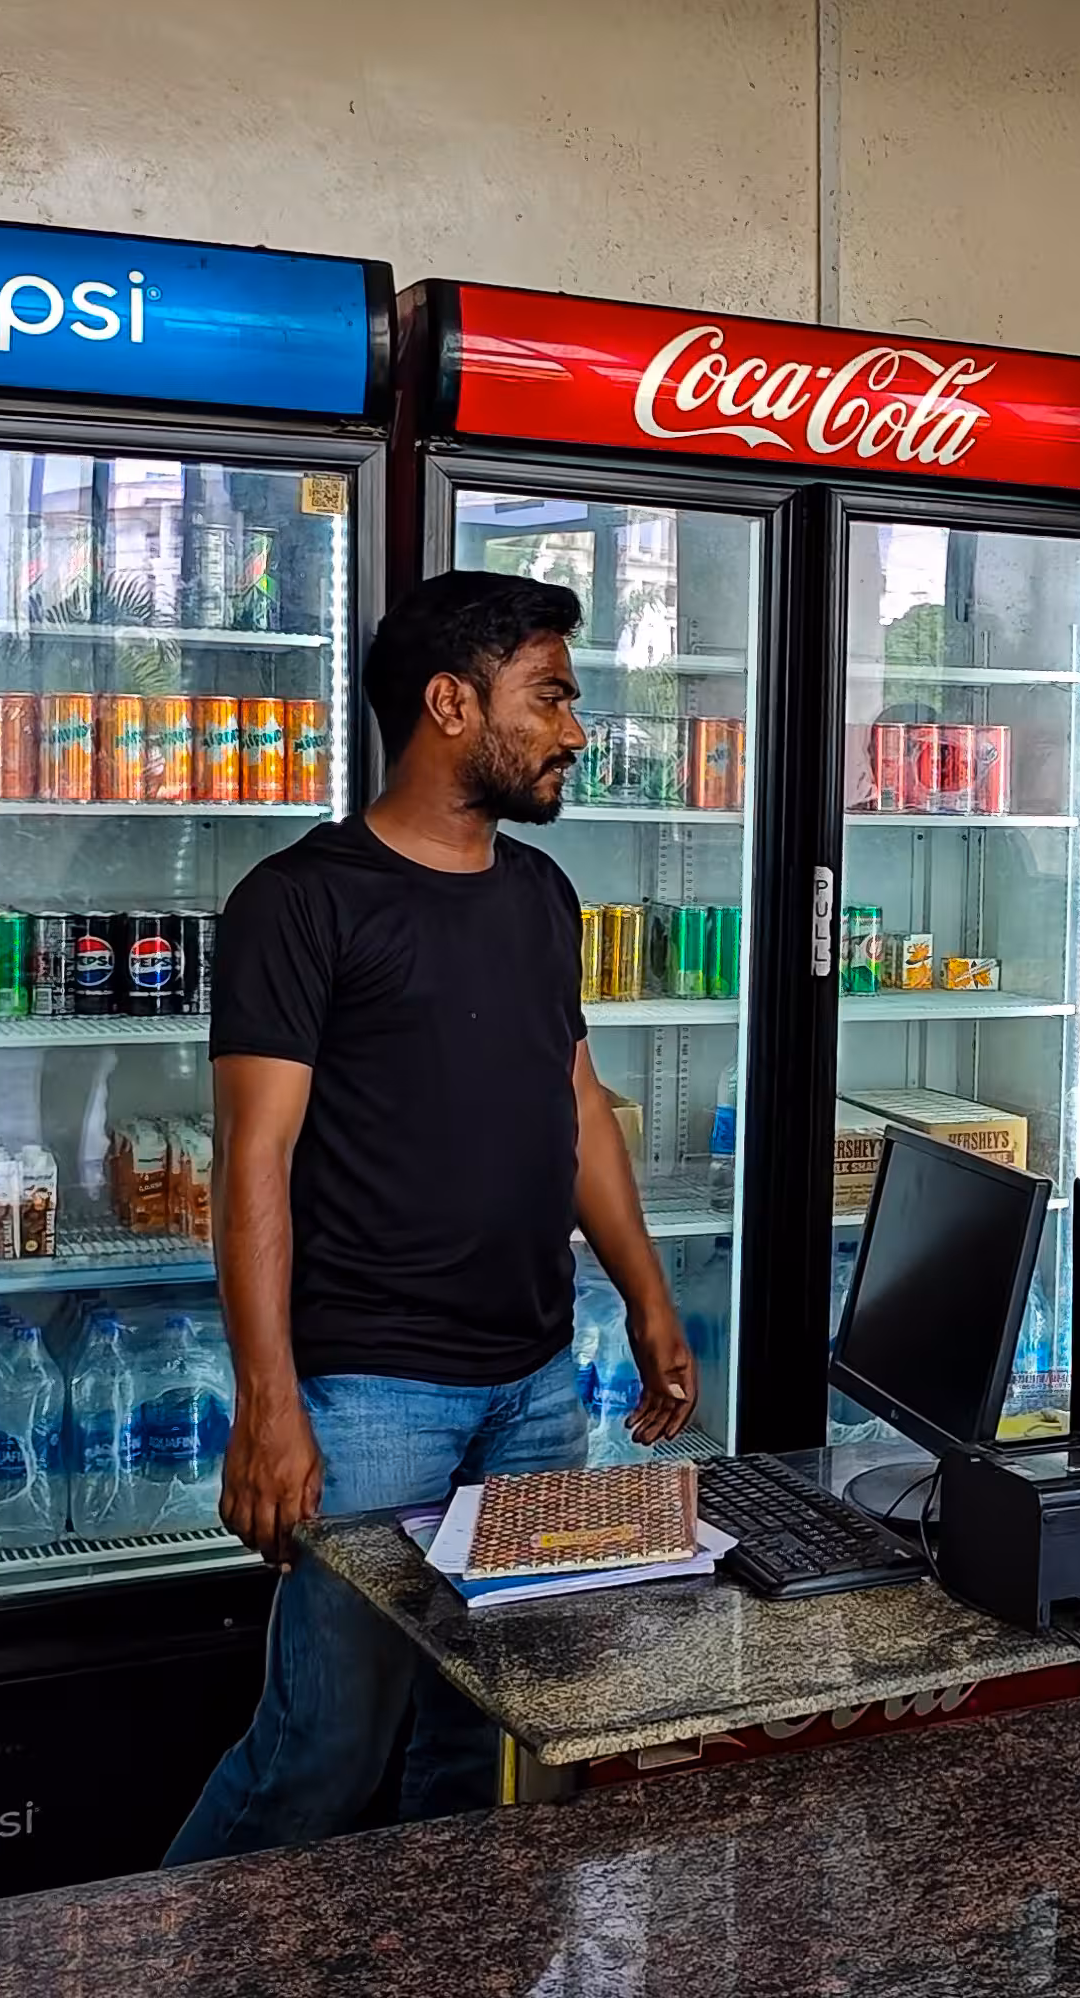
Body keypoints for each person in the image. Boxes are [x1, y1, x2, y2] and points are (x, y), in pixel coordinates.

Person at [168, 570, 700, 1864]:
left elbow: (576, 1104)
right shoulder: (301, 901)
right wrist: (269, 1405)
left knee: (485, 1736)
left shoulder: (541, 896)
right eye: (550, 698)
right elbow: (253, 1163)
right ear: (451, 704)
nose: (574, 730)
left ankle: (437, 1956)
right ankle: (163, 1953)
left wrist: (647, 1295)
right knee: (322, 1752)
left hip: (536, 1389)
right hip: (370, 1397)